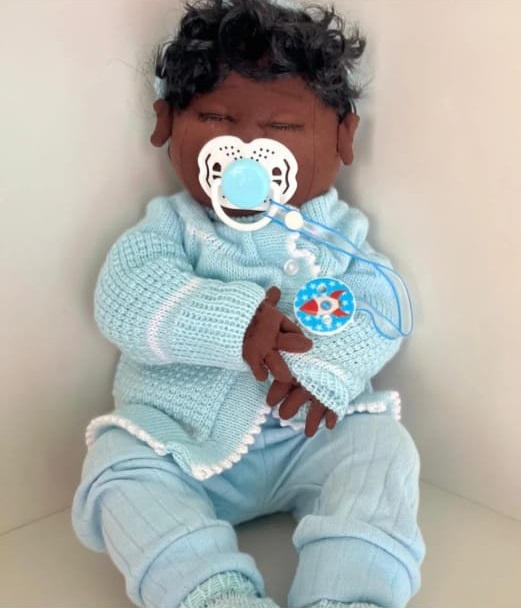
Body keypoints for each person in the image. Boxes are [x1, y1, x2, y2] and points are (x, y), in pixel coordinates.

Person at [72, 0, 425, 606]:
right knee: (114, 468)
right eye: (215, 118)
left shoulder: (341, 236)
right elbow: (126, 294)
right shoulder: (175, 227)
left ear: (343, 137)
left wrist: (329, 367)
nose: (244, 148)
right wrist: (233, 323)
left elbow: (380, 308)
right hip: (178, 436)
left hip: (309, 438)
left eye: (281, 128)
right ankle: (212, 593)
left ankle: (349, 593)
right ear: (166, 123)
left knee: (382, 449)